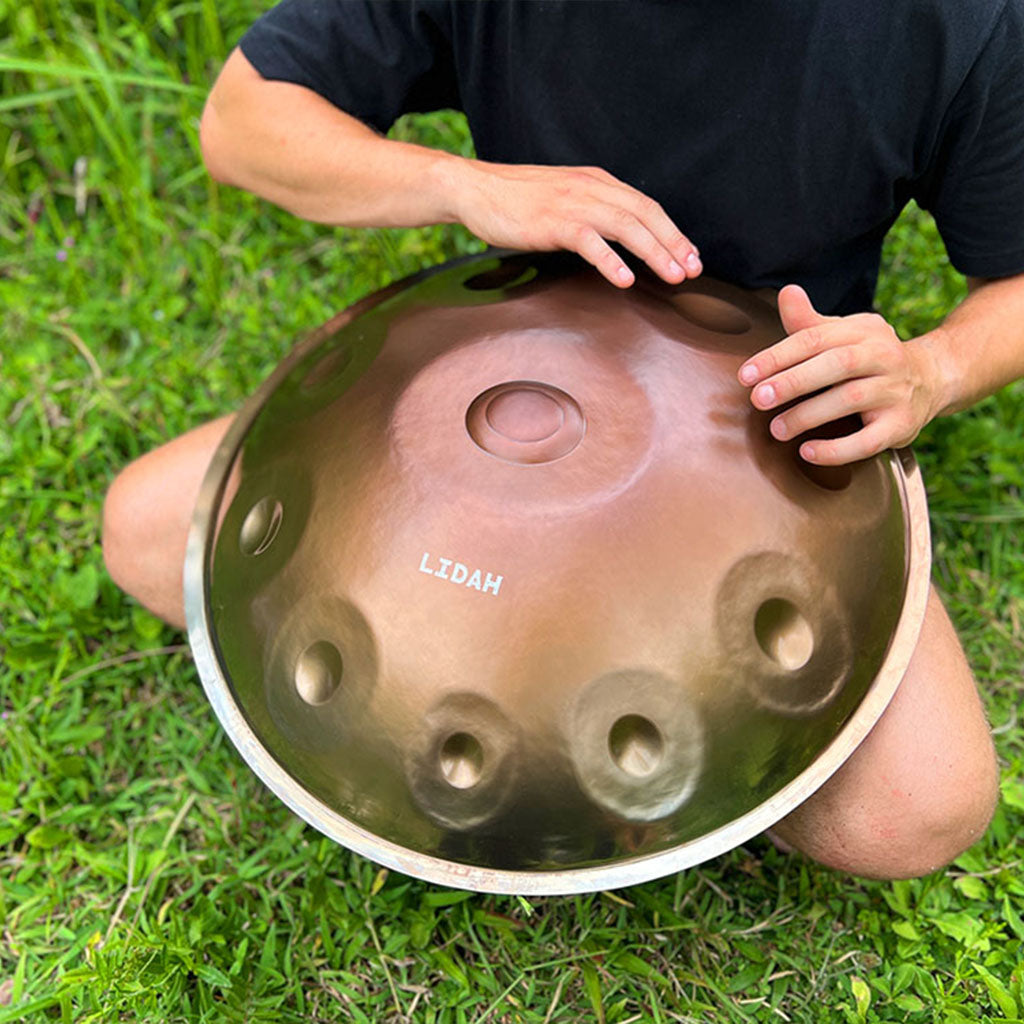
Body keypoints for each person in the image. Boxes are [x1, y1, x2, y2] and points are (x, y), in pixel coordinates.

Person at [103, 1, 1024, 879]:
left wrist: (934, 368)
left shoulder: (946, 19)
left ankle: (683, 746)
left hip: (759, 443)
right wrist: (461, 184)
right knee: (146, 534)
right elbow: (242, 120)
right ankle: (581, 741)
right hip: (498, 393)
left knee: (917, 806)